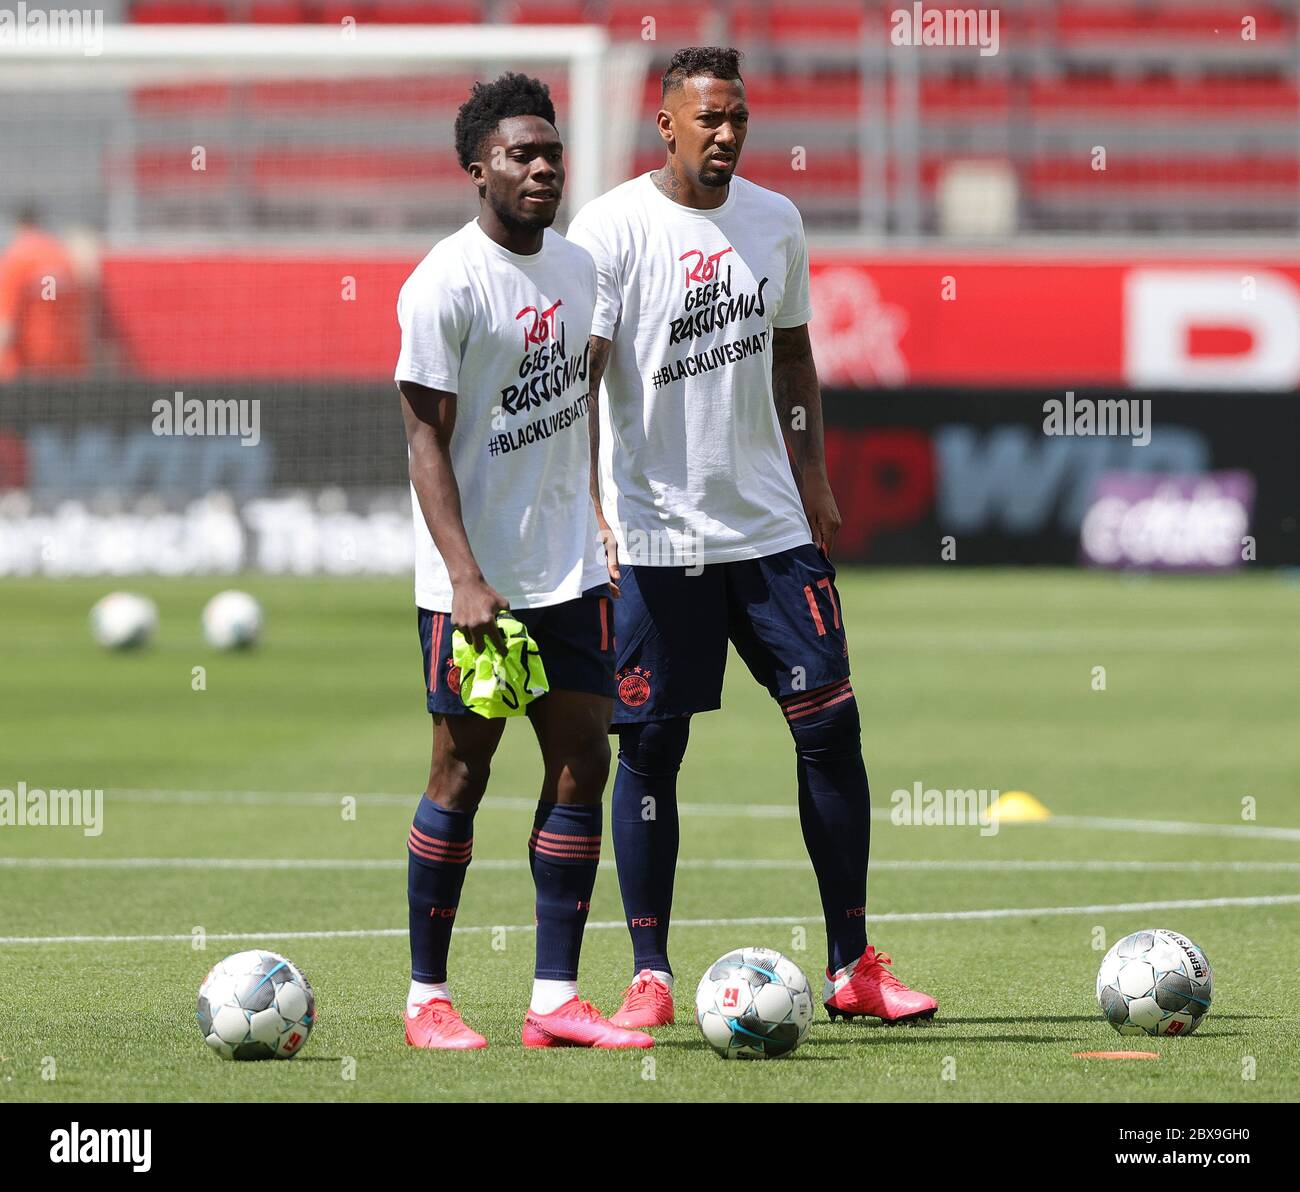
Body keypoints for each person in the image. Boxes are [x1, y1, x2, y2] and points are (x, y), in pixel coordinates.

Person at [566, 46, 939, 1029]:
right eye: (708, 119)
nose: (726, 134)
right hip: (655, 538)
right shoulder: (609, 228)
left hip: (770, 529)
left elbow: (794, 356)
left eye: (738, 117)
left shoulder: (776, 220)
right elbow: (583, 377)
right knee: (650, 748)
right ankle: (648, 972)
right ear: (666, 124)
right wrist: (590, 509)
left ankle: (852, 962)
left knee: (829, 728)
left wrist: (812, 471)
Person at [395, 72, 650, 1051]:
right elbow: (424, 441)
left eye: (551, 153)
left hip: (569, 569)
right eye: (520, 155)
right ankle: (428, 997)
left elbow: (578, 410)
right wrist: (462, 576)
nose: (542, 168)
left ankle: (554, 999)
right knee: (462, 772)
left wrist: (599, 516)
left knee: (586, 758)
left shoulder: (581, 270)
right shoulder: (444, 284)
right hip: (473, 583)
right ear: (478, 171)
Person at [0, 204, 86, 382]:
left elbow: (6, 324)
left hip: (26, 370)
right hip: (67, 365)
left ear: (18, 225)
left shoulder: (17, 258)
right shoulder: (62, 256)